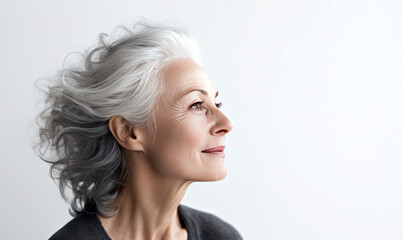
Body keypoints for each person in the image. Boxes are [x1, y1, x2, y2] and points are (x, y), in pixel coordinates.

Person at [34, 20, 242, 240]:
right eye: (196, 105)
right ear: (128, 132)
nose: (226, 124)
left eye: (216, 104)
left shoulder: (220, 236)